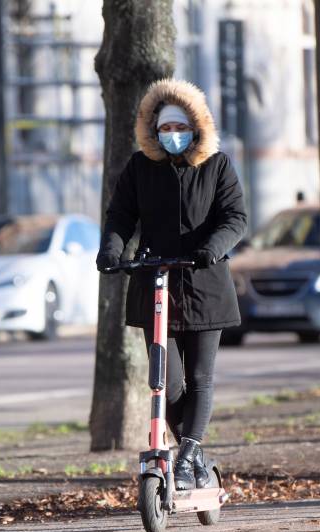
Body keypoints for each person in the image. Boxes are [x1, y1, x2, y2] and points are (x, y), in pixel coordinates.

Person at [96, 79, 247, 490]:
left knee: (201, 378)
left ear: (196, 127)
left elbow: (235, 218)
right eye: (164, 128)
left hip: (205, 284)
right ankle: (194, 452)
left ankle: (189, 454)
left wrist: (212, 248)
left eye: (180, 127)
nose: (172, 135)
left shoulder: (217, 166)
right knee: (168, 381)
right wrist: (111, 251)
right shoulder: (140, 168)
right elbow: (120, 216)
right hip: (155, 281)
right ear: (153, 130)